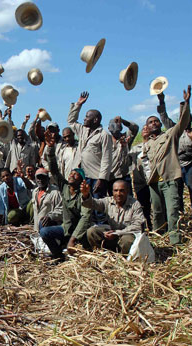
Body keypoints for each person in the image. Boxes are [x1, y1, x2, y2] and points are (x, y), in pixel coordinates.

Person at [144, 85, 192, 244]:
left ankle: (175, 240)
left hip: (169, 179)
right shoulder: (147, 144)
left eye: (156, 121)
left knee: (172, 211)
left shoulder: (170, 135)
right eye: (151, 122)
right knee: (157, 212)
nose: (155, 123)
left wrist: (186, 103)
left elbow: (182, 122)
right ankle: (159, 239)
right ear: (147, 127)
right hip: (154, 182)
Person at [40, 132, 92, 260]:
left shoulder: (84, 195)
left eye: (75, 175)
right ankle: (58, 255)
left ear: (81, 180)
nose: (71, 175)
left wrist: (74, 238)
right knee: (44, 230)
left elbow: (85, 218)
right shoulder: (65, 187)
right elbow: (54, 170)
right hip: (66, 228)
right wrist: (51, 149)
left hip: (79, 232)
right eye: (71, 174)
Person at [157, 92, 192, 216]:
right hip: (176, 165)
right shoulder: (175, 129)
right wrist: (161, 101)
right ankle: (179, 213)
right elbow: (164, 117)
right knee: (177, 191)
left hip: (190, 165)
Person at [67, 91, 112, 223]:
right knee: (84, 207)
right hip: (82, 175)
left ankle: (101, 233)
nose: (84, 119)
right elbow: (71, 120)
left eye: (87, 117)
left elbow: (107, 158)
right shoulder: (83, 130)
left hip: (95, 177)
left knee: (98, 207)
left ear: (95, 120)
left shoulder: (104, 135)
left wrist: (102, 178)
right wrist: (78, 105)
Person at [82, 180, 146, 254]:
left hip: (127, 234)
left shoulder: (135, 204)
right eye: (116, 191)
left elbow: (138, 226)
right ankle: (103, 253)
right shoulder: (108, 201)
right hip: (112, 233)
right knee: (91, 231)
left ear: (127, 191)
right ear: (112, 191)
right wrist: (85, 195)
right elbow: (93, 203)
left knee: (127, 240)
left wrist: (117, 233)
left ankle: (124, 257)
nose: (118, 194)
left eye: (121, 191)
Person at [108, 117, 139, 194]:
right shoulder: (105, 141)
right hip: (111, 177)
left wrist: (123, 121)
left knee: (128, 200)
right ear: (108, 128)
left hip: (125, 176)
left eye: (118, 124)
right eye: (113, 125)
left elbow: (135, 128)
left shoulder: (125, 137)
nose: (116, 127)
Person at [130, 125, 153, 230]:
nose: (145, 130)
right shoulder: (135, 148)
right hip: (140, 183)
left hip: (153, 180)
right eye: (143, 129)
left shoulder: (155, 145)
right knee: (143, 206)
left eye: (147, 128)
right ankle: (146, 227)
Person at [0, 162, 32, 226]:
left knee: (33, 203)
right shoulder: (0, 190)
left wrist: (23, 178)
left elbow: (29, 186)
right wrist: (1, 223)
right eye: (3, 177)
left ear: (11, 175)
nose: (6, 178)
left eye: (7, 175)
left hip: (25, 207)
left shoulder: (19, 180)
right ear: (1, 179)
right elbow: (0, 208)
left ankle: (31, 222)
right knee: (12, 215)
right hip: (15, 210)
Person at [31, 168, 63, 236]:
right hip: (37, 230)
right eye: (38, 178)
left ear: (48, 179)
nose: (40, 180)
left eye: (43, 177)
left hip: (49, 228)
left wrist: (50, 216)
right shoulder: (35, 192)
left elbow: (61, 210)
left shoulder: (55, 192)